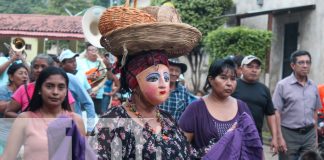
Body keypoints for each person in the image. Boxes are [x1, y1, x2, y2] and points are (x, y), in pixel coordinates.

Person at [89, 3, 201, 159]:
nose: (163, 84)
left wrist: (226, 141)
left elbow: (190, 155)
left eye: (166, 77)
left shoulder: (167, 120)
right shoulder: (112, 122)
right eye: (153, 78)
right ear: (134, 82)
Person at [179, 58, 262, 158]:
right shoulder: (195, 109)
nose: (229, 83)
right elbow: (180, 147)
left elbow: (253, 143)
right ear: (211, 80)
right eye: (223, 77)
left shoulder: (242, 107)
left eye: (233, 79)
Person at [2, 67, 85, 160]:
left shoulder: (76, 120)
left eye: (61, 87)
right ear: (39, 89)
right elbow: (8, 156)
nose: (55, 92)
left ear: (66, 92)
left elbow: (81, 156)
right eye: (49, 86)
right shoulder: (25, 119)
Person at [273, 50, 321, 160]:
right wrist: (279, 137)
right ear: (293, 65)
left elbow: (315, 112)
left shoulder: (313, 86)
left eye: (308, 62)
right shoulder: (282, 85)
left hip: (309, 135)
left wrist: (315, 138)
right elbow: (276, 112)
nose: (305, 66)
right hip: (289, 134)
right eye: (301, 62)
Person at [232, 55, 278, 154]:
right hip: (233, 137)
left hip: (255, 138)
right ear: (241, 68)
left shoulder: (264, 89)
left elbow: (270, 114)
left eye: (257, 67)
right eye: (250, 66)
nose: (254, 70)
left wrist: (274, 137)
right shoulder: (233, 85)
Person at [4, 54, 75, 118]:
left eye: (43, 66)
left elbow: (71, 115)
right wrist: (27, 119)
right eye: (36, 67)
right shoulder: (24, 89)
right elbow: (8, 113)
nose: (39, 70)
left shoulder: (60, 90)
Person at [0, 63, 29, 155]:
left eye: (26, 73)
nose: (24, 76)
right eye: (20, 73)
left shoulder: (28, 90)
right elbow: (1, 108)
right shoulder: (3, 90)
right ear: (11, 77)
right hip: (5, 129)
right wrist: (19, 100)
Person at [77, 43, 106, 115]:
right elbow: (77, 76)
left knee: (97, 115)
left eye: (95, 50)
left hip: (97, 94)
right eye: (91, 50)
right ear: (86, 52)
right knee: (84, 115)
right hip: (84, 93)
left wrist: (101, 61)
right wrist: (87, 76)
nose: (93, 52)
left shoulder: (100, 63)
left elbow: (105, 75)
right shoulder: (80, 61)